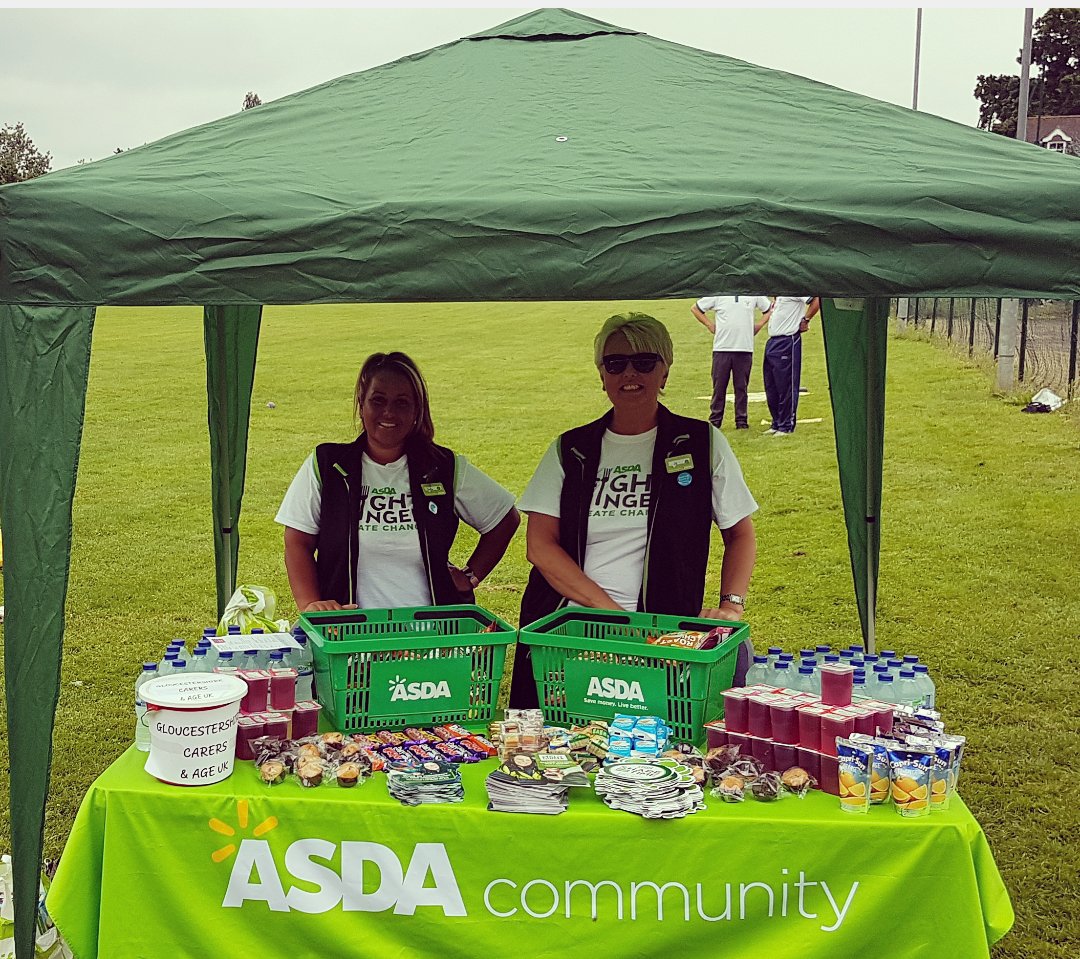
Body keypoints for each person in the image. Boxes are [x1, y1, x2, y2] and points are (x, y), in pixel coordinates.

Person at [511, 313, 758, 708]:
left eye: (645, 363)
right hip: (569, 631)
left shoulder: (701, 443)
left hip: (661, 632)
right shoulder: (570, 449)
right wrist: (609, 612)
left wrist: (731, 603)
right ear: (602, 374)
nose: (630, 373)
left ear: (664, 372)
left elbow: (740, 533)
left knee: (658, 744)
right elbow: (540, 546)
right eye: (616, 363)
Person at [275, 351, 520, 612]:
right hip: (347, 632)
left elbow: (505, 518)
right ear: (361, 403)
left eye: (402, 403)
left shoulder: (442, 466)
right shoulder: (327, 464)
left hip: (431, 636)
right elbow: (297, 541)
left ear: (417, 409)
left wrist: (471, 575)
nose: (389, 412)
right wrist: (311, 604)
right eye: (378, 401)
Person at [691, 295, 773, 430]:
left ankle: (741, 421)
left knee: (741, 387)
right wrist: (709, 324)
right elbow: (696, 308)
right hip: (722, 348)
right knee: (719, 386)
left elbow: (769, 309)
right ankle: (715, 420)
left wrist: (759, 325)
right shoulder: (719, 294)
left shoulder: (752, 294)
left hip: (744, 348)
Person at [756, 295, 820, 435]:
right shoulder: (779, 295)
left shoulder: (793, 288)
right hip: (773, 340)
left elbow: (816, 300)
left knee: (786, 384)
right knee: (771, 385)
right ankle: (776, 422)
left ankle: (786, 425)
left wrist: (806, 319)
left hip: (787, 340)